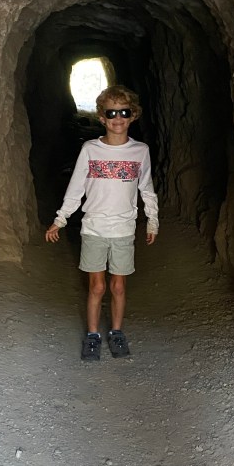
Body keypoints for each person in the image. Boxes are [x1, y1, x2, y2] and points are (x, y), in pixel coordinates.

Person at [45, 85, 159, 361]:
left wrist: (153, 221)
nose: (118, 118)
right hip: (94, 227)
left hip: (123, 229)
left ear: (133, 115)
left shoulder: (140, 151)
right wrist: (61, 219)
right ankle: (93, 335)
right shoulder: (90, 149)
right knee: (97, 286)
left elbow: (146, 188)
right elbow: (76, 187)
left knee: (118, 286)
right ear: (101, 118)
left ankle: (117, 333)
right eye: (111, 113)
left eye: (124, 112)